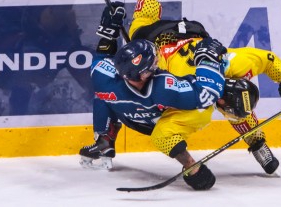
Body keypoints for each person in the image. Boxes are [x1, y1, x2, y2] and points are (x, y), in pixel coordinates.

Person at [103, 0, 281, 175]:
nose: (221, 106)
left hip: (193, 36)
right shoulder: (179, 82)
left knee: (143, 21)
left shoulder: (229, 64)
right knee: (142, 25)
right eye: (224, 106)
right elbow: (155, 96)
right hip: (161, 41)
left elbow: (267, 59)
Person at [80, 11, 238, 190]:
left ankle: (105, 138)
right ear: (145, 74)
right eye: (154, 62)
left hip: (131, 117)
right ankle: (191, 166)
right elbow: (206, 94)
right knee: (164, 135)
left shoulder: (103, 76)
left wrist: (108, 32)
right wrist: (208, 60)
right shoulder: (164, 87)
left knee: (102, 95)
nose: (158, 62)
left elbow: (102, 57)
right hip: (157, 122)